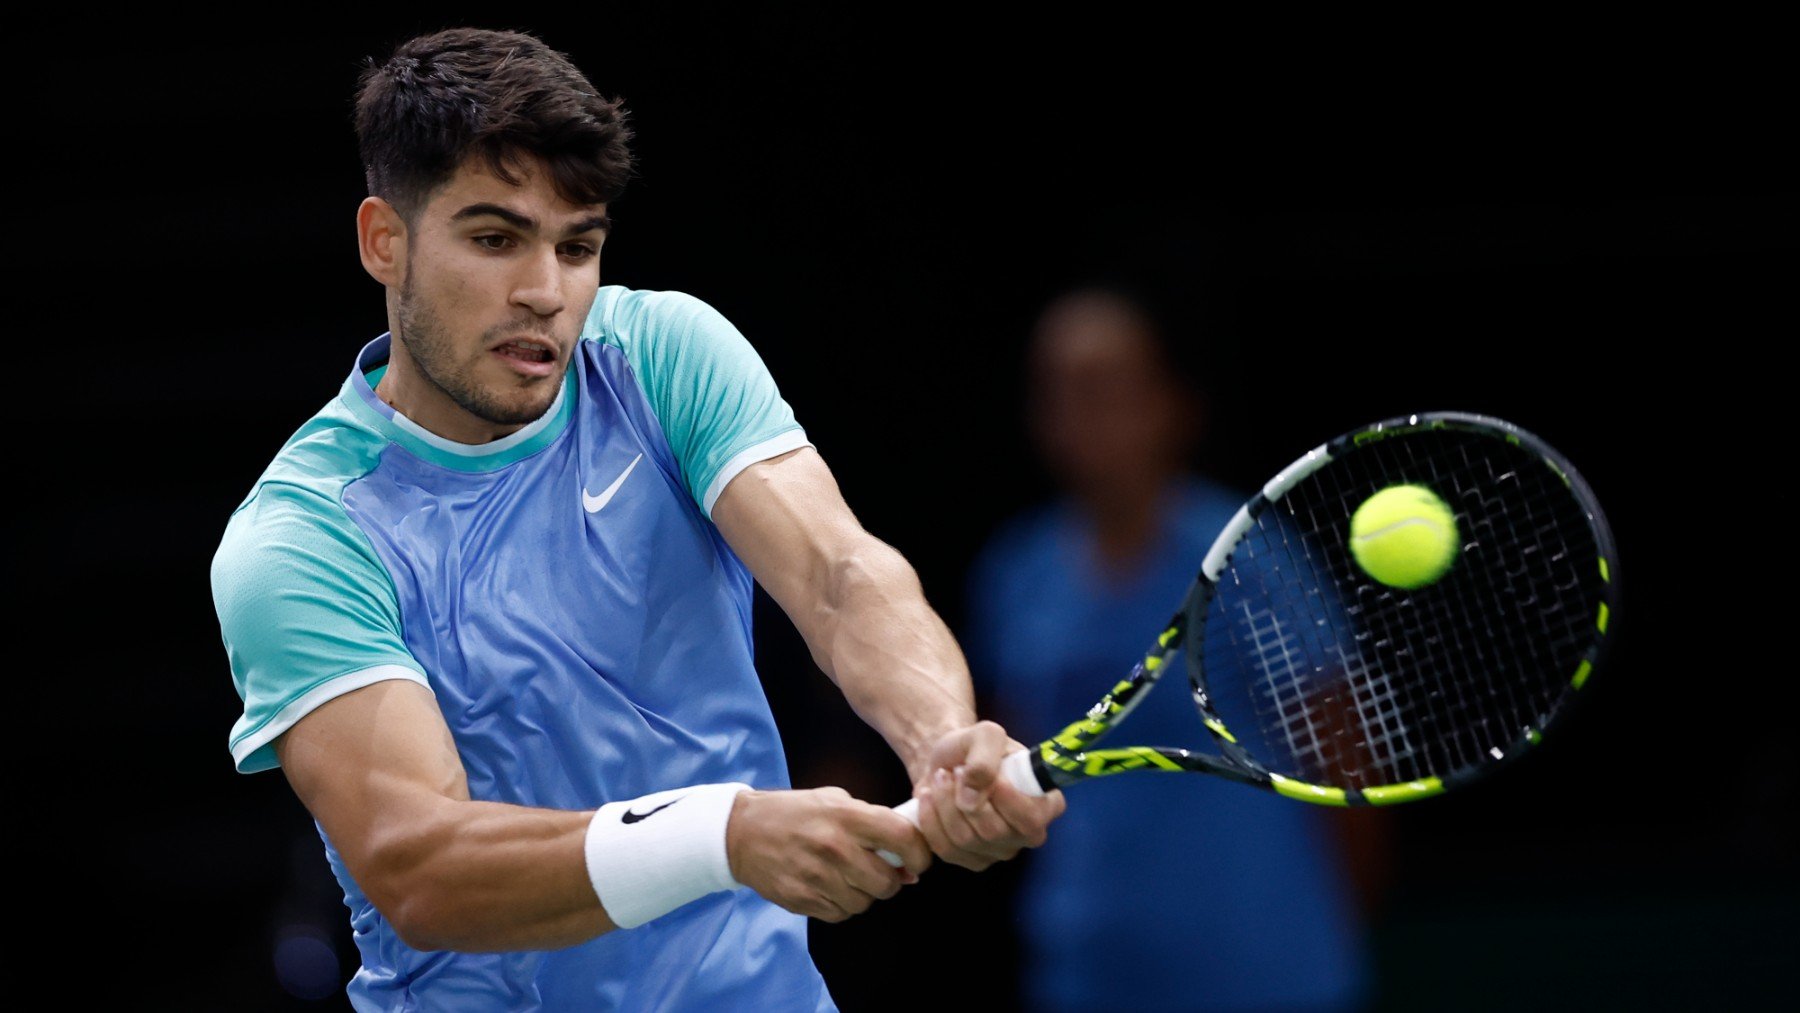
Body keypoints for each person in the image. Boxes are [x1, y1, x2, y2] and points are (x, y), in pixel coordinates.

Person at [210, 27, 1063, 1011]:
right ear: (384, 241)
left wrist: (944, 738)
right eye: (495, 237)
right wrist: (721, 835)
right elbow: (422, 865)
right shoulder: (308, 534)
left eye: (578, 246)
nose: (545, 291)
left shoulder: (658, 356)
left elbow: (839, 577)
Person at [963, 286, 1375, 1012]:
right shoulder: (1015, 573)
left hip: (1263, 972)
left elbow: (1348, 771)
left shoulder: (1253, 557)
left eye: (1105, 388)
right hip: (1086, 974)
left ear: (1171, 404)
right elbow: (1003, 772)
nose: (1081, 413)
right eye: (1059, 391)